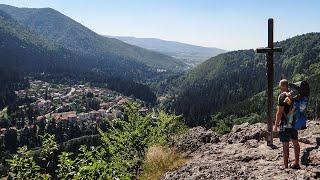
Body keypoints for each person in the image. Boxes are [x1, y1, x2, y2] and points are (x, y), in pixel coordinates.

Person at [273, 79, 300, 169]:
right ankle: (296, 163)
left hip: (285, 123)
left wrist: (276, 125)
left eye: (280, 86)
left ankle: (286, 166)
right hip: (294, 122)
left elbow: (279, 113)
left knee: (285, 145)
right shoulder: (293, 95)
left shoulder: (282, 96)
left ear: (282, 86)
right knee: (295, 143)